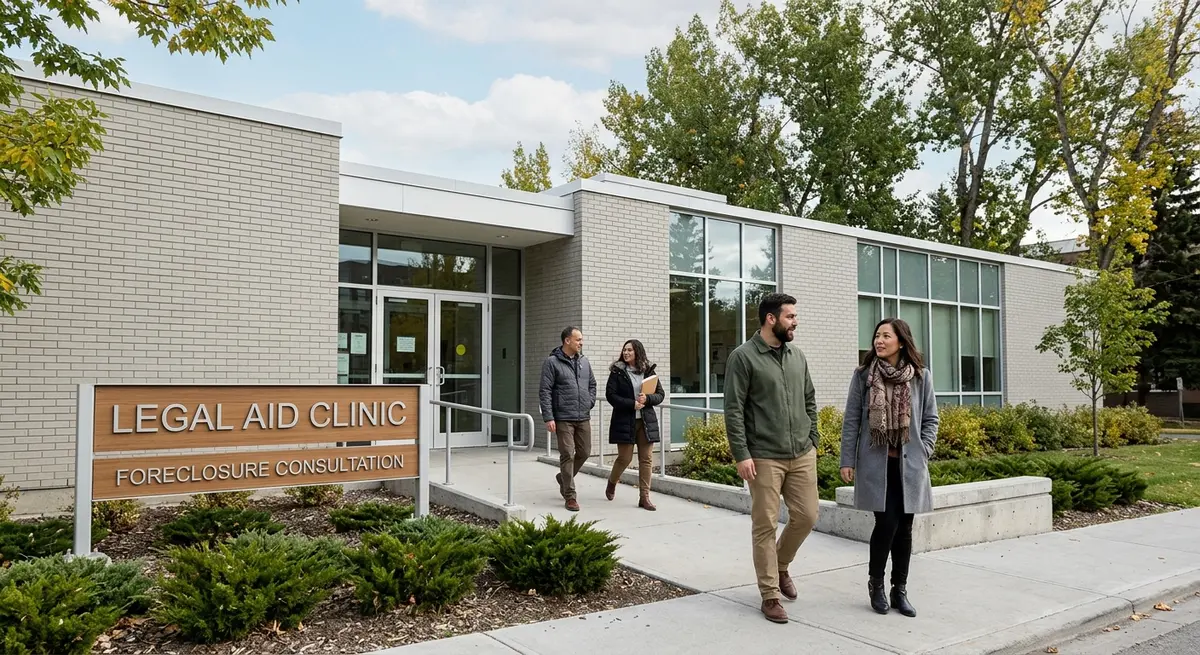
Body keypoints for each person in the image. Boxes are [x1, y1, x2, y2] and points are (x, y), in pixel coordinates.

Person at [723, 292, 820, 624]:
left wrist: (814, 440)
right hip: (763, 456)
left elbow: (809, 398)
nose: (796, 322)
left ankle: (780, 566)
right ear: (771, 319)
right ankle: (769, 594)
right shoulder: (744, 357)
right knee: (764, 525)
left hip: (801, 452)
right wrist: (742, 454)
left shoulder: (797, 356)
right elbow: (733, 409)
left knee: (807, 516)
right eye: (791, 316)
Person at [839, 317, 938, 618]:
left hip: (909, 465)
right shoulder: (863, 376)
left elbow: (931, 418)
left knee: (905, 528)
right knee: (886, 524)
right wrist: (846, 460)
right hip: (876, 465)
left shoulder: (920, 376)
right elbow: (852, 420)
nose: (879, 341)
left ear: (901, 341)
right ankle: (877, 585)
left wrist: (925, 450)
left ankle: (900, 590)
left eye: (886, 336)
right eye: (876, 336)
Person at [539, 326, 597, 511]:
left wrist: (589, 402)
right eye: (578, 339)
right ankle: (570, 496)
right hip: (563, 417)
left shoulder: (584, 361)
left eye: (581, 339)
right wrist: (549, 417)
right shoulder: (552, 362)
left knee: (585, 452)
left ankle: (563, 477)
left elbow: (592, 384)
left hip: (583, 415)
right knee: (567, 455)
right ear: (567, 341)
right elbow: (545, 391)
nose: (581, 342)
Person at [604, 339, 665, 511]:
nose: (626, 353)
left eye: (630, 350)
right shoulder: (617, 372)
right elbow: (610, 395)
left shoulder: (648, 371)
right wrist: (631, 404)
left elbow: (660, 394)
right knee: (625, 458)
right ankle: (612, 481)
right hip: (624, 420)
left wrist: (648, 399)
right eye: (624, 350)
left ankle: (644, 497)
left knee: (646, 459)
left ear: (637, 352)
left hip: (646, 421)